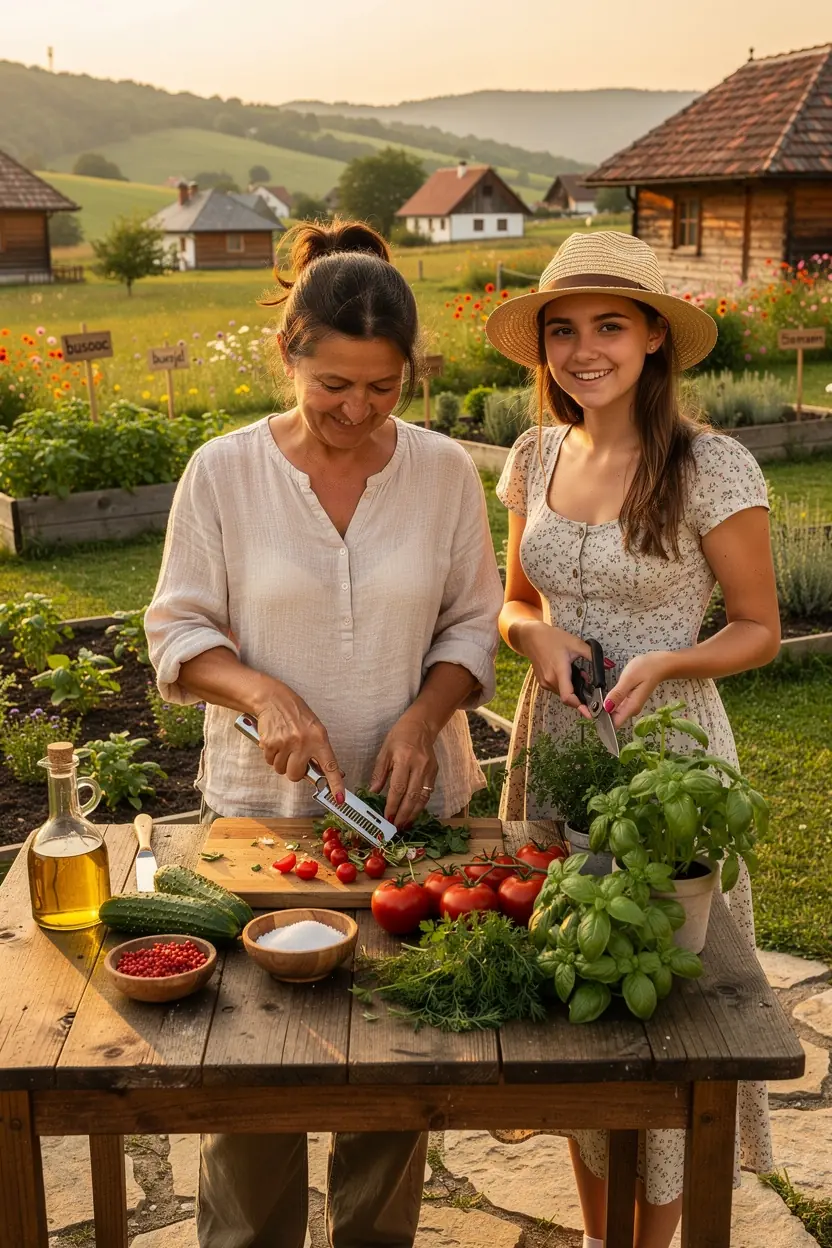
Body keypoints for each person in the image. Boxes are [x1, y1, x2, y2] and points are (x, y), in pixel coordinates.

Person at [145, 218, 503, 1248]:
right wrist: (261, 694)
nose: (356, 411)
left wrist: (428, 716)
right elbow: (177, 627)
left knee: (394, 1078)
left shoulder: (440, 474)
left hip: (406, 821)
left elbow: (472, 622)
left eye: (381, 388)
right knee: (252, 1080)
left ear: (409, 373)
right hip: (267, 825)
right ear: (287, 354)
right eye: (332, 385)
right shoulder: (222, 472)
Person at [485, 230, 780, 1248]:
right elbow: (510, 606)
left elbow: (757, 629)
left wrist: (667, 661)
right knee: (572, 984)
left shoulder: (708, 465)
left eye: (609, 325)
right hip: (556, 746)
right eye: (561, 331)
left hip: (666, 761)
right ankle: (595, 1227)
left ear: (654, 335)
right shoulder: (532, 454)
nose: (583, 350)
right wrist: (539, 637)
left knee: (662, 1008)